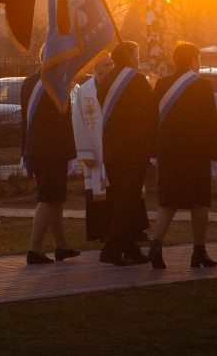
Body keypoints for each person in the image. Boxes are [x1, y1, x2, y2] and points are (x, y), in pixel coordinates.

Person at [148, 42, 217, 270]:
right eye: (198, 59)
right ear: (192, 60)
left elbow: (152, 120)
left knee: (167, 201)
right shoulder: (203, 86)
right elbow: (211, 122)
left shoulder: (161, 84)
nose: (199, 63)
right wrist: (215, 154)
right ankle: (199, 251)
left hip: (169, 152)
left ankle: (156, 245)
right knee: (199, 201)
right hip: (196, 153)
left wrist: (153, 151)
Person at [73, 53, 149, 244]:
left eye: (111, 64)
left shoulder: (120, 86)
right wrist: (85, 152)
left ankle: (130, 233)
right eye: (105, 64)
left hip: (118, 149)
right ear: (95, 67)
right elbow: (79, 123)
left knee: (124, 194)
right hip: (96, 150)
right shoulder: (84, 91)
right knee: (102, 195)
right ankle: (105, 233)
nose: (109, 67)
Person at [95, 41, 157, 266]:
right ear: (130, 56)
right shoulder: (137, 80)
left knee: (120, 198)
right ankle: (111, 249)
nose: (138, 59)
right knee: (128, 201)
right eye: (137, 54)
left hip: (111, 149)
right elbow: (148, 115)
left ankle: (129, 248)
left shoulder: (104, 81)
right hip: (133, 149)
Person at [21, 66, 79, 264]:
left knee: (55, 198)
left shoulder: (28, 82)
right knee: (47, 198)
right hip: (54, 149)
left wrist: (24, 150)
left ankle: (61, 246)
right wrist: (72, 152)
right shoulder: (58, 83)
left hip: (34, 147)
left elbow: (25, 119)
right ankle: (34, 249)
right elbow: (64, 120)